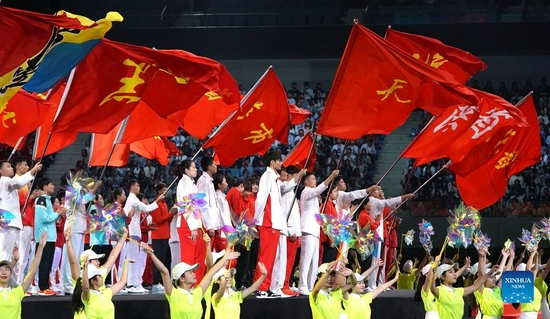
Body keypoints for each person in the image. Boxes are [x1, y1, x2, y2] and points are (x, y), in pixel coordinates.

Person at [144, 245, 240, 319]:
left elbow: (211, 273)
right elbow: (164, 272)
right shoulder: (174, 294)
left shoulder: (197, 293)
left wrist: (225, 258)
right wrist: (151, 254)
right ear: (182, 279)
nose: (194, 274)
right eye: (190, 272)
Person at [298, 170, 338, 295]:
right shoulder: (307, 191)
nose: (315, 181)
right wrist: (331, 176)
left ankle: (311, 285)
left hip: (315, 230)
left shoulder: (313, 195)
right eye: (313, 179)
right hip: (308, 229)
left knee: (314, 261)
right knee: (306, 259)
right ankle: (302, 285)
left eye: (316, 179)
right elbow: (318, 190)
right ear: (306, 182)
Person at [367, 188, 414, 290]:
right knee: (377, 261)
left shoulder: (378, 203)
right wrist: (404, 197)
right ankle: (376, 283)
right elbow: (388, 205)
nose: (380, 192)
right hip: (378, 235)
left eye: (381, 191)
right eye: (378, 191)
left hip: (382, 236)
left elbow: (389, 206)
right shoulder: (375, 202)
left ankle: (380, 282)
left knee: (383, 263)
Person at [122, 179, 163, 293]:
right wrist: (158, 200)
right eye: (137, 186)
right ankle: (132, 284)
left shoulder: (131, 200)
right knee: (132, 259)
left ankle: (135, 283)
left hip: (134, 232)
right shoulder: (133, 200)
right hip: (133, 231)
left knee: (134, 259)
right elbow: (146, 208)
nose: (139, 188)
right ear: (132, 187)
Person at [430, 255, 498, 319]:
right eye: (450, 272)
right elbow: (432, 288)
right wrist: (433, 273)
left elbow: (476, 286)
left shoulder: (458, 291)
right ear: (442, 276)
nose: (454, 274)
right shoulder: (440, 290)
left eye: (454, 272)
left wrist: (490, 273)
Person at [0, 160, 41, 262]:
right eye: (8, 166)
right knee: (5, 254)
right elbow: (17, 183)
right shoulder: (5, 180)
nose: (12, 168)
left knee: (14, 255)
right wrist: (32, 171)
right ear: (1, 171)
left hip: (11, 221)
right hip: (8, 222)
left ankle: (11, 277)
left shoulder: (5, 182)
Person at [0, 231, 46, 319]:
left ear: (10, 273)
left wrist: (40, 247)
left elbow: (32, 271)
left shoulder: (17, 292)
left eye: (7, 269)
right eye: (0, 270)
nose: (4, 272)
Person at [34, 178, 67, 295]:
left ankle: (46, 286)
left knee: (48, 263)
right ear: (45, 187)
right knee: (43, 263)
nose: (53, 186)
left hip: (51, 237)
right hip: (43, 237)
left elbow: (50, 218)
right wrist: (57, 213)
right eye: (51, 184)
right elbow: (44, 219)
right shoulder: (41, 200)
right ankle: (42, 287)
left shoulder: (48, 200)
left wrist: (59, 215)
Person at [176, 160, 207, 284]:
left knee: (199, 256)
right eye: (193, 167)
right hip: (187, 223)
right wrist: (193, 227)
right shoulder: (183, 183)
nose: (196, 169)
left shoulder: (192, 184)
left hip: (196, 222)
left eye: (195, 167)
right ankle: (187, 285)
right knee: (189, 257)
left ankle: (197, 284)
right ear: (186, 170)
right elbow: (186, 204)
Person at [150, 183, 177, 293]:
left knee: (166, 260)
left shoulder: (164, 204)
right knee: (158, 260)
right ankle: (155, 282)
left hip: (165, 235)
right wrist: (170, 214)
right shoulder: (156, 203)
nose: (167, 192)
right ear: (159, 191)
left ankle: (162, 281)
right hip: (158, 236)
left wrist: (171, 215)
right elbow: (158, 220)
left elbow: (166, 220)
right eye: (165, 190)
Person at [473, 249, 508, 319]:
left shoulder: (496, 290)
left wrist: (505, 257)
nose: (494, 279)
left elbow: (501, 273)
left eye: (494, 277)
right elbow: (481, 275)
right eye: (491, 277)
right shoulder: (481, 290)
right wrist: (481, 256)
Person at [197, 157, 221, 251]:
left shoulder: (209, 181)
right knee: (206, 253)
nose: (216, 166)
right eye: (214, 164)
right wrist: (209, 226)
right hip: (207, 225)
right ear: (209, 167)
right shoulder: (204, 181)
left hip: (212, 224)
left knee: (211, 253)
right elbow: (203, 204)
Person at [213, 174, 231, 252]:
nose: (227, 184)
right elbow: (221, 215)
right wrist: (227, 230)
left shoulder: (223, 196)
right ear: (219, 185)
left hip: (227, 228)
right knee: (223, 255)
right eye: (225, 182)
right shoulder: (217, 197)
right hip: (222, 229)